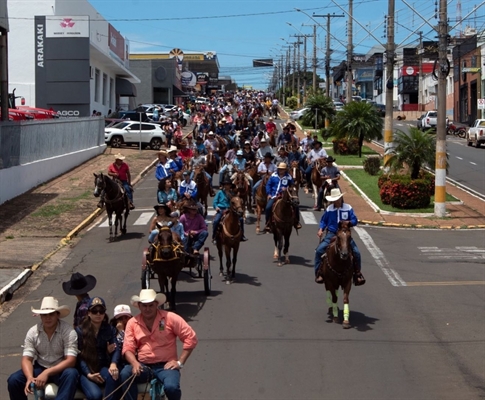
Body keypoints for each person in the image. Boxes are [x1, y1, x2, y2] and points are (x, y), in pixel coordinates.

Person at [119, 289, 198, 400]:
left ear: (156, 304)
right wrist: (134, 363)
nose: (147, 309)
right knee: (125, 374)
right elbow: (128, 347)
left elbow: (191, 337)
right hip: (144, 366)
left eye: (151, 305)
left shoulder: (170, 317)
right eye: (144, 306)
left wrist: (180, 362)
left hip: (166, 366)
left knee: (172, 387)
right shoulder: (132, 323)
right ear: (139, 306)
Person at [7, 297, 79, 400]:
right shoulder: (33, 332)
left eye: (51, 314)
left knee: (72, 374)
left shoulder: (68, 331)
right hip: (41, 366)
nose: (47, 318)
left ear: (57, 315)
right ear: (40, 316)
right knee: (14, 380)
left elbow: (71, 361)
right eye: (44, 315)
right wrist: (29, 377)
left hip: (60, 368)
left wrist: (47, 372)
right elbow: (26, 359)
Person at [314, 188, 365, 285]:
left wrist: (349, 222)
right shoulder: (329, 209)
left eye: (338, 199)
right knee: (319, 251)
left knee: (357, 253)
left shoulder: (348, 208)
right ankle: (319, 273)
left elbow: (355, 220)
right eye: (334, 200)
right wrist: (321, 229)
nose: (336, 201)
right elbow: (323, 221)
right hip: (332, 234)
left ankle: (357, 274)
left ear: (341, 198)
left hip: (344, 235)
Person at [76, 297, 120, 400]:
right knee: (96, 396)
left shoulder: (109, 329)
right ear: (88, 313)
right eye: (94, 311)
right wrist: (88, 374)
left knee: (113, 376)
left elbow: (116, 348)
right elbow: (79, 357)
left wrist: (113, 363)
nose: (98, 314)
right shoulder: (80, 331)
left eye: (101, 311)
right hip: (85, 370)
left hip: (102, 366)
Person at [265, 163, 301, 231]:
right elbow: (268, 185)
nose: (281, 170)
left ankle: (296, 222)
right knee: (268, 207)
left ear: (285, 170)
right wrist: (269, 194)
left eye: (283, 169)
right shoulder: (273, 175)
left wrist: (287, 188)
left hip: (285, 196)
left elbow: (292, 186)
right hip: (274, 195)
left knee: (296, 206)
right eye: (280, 169)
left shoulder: (289, 177)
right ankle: (268, 223)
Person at [212, 178, 248, 244]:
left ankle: (242, 235)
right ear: (223, 185)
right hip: (221, 209)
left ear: (230, 186)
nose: (226, 186)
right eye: (225, 185)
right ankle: (214, 237)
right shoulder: (220, 192)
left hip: (230, 210)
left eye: (228, 185)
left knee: (241, 219)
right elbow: (215, 201)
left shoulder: (232, 193)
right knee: (216, 221)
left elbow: (236, 201)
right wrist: (216, 207)